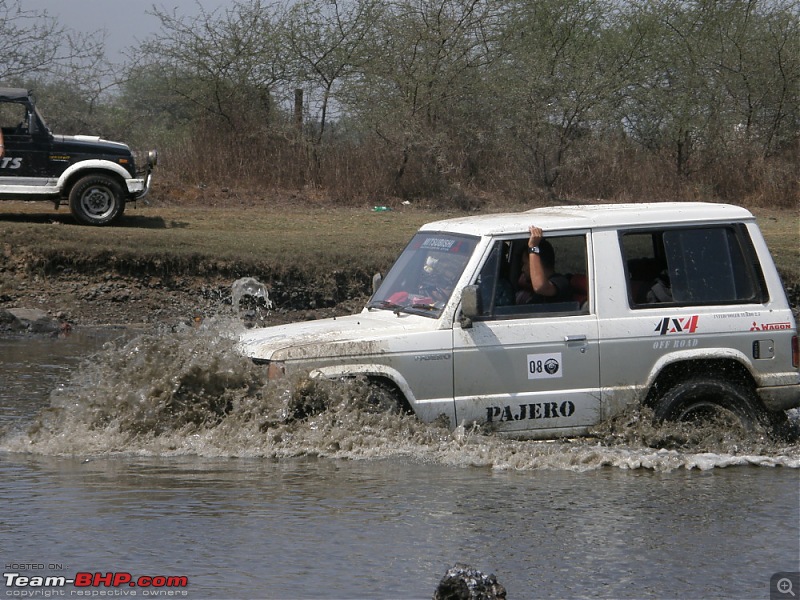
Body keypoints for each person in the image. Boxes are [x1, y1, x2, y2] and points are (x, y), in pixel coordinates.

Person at [516, 225, 572, 304]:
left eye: (525, 264)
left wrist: (533, 247)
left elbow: (540, 287)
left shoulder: (560, 282)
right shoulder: (530, 291)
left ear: (539, 262)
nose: (522, 269)